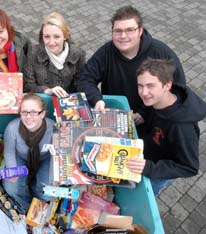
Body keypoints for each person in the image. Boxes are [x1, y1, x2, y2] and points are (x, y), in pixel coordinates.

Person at [77, 5, 186, 128]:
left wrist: (145, 112)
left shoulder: (161, 53)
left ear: (140, 31)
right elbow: (84, 79)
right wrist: (97, 99)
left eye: (129, 30)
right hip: (115, 118)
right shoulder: (106, 52)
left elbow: (178, 90)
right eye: (118, 31)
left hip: (152, 121)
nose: (123, 36)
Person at [126, 58, 206, 196]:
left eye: (151, 86)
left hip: (156, 171)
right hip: (144, 153)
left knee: (146, 194)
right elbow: (150, 107)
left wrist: (149, 167)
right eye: (140, 85)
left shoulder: (181, 128)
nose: (144, 92)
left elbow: (189, 167)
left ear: (167, 85)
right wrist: (143, 114)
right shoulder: (157, 99)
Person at [2, 93, 54, 210]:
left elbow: (57, 155)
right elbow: (9, 152)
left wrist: (53, 178)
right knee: (11, 187)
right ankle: (26, 207)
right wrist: (12, 170)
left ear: (43, 114)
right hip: (21, 157)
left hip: (45, 158)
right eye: (24, 112)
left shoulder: (54, 128)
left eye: (34, 112)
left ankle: (39, 205)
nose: (28, 117)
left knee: (48, 190)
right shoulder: (12, 128)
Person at [23, 12, 86, 98]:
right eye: (47, 37)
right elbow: (28, 85)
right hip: (42, 102)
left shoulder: (78, 54)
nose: (51, 42)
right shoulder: (32, 53)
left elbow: (81, 83)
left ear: (65, 36)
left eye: (56, 36)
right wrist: (47, 90)